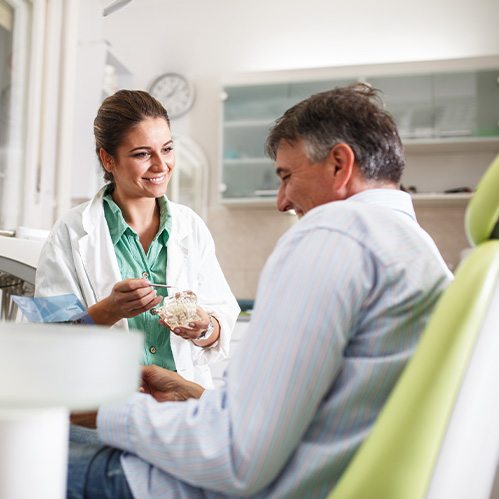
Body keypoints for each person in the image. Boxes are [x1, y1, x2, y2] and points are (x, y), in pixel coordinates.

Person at [66, 83, 453, 498]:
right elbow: (306, 413)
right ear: (109, 160)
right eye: (143, 153)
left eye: (287, 175)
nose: (281, 201)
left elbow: (234, 455)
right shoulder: (417, 248)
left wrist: (109, 411)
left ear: (339, 164)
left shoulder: (335, 234)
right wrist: (193, 393)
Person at [35, 89, 239, 388]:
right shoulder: (70, 231)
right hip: (103, 409)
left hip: (181, 411)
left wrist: (204, 326)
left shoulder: (190, 227)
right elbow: (48, 339)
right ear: (108, 159)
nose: (161, 165)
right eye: (143, 154)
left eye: (167, 149)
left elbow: (222, 319)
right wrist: (110, 309)